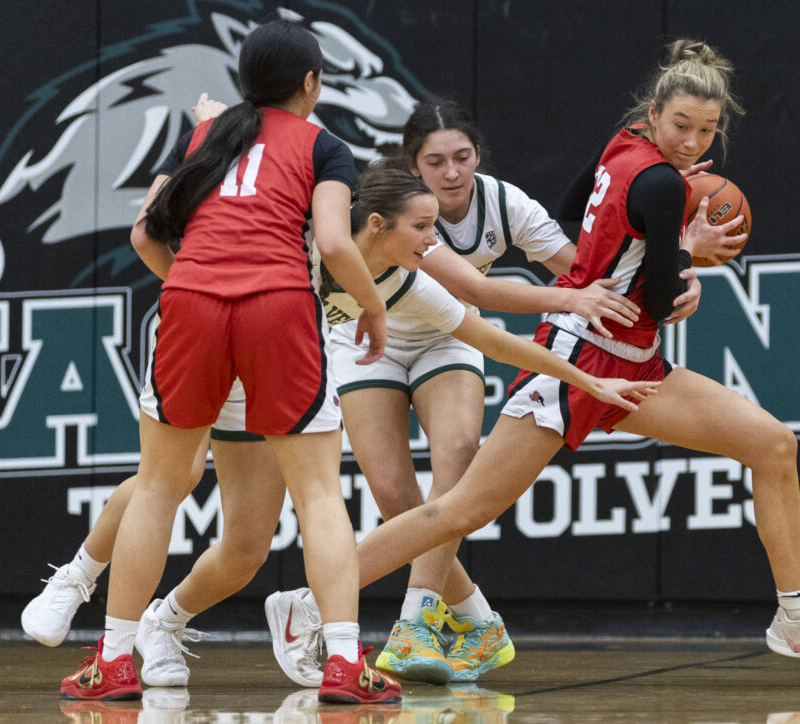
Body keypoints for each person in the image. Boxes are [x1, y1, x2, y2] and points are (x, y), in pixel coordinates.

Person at [300, 39, 800, 679]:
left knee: (773, 444)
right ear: (656, 113)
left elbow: (572, 211)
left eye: (707, 130)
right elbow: (661, 301)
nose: (692, 141)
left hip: (634, 364)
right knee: (461, 508)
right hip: (578, 362)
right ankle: (308, 604)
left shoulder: (625, 143)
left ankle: (797, 618)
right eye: (681, 125)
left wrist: (628, 251)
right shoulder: (663, 183)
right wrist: (686, 252)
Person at [270, 99, 701, 686]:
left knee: (458, 461)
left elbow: (579, 274)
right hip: (365, 337)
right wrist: (573, 299)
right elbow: (484, 288)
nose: (451, 173)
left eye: (462, 157)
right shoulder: (376, 226)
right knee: (401, 501)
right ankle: (475, 617)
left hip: (445, 336)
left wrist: (674, 259)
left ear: (477, 155)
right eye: (435, 161)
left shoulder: (496, 207)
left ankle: (415, 621)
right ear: (410, 171)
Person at [59, 19, 400, 704]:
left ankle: (112, 660)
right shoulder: (322, 144)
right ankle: (342, 662)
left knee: (157, 487)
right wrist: (372, 305)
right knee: (318, 496)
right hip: (277, 305)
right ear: (312, 82)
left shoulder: (208, 135)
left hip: (190, 300)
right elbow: (334, 243)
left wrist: (191, 282)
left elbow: (149, 234)